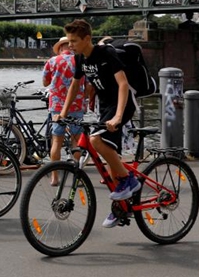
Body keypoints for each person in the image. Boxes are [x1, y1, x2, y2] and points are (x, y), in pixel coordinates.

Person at [57, 19, 139, 229]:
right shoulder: (79, 59)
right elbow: (75, 85)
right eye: (69, 40)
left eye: (74, 40)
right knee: (110, 154)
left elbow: (123, 85)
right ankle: (119, 206)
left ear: (87, 39)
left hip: (122, 105)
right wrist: (63, 113)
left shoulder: (105, 54)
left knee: (95, 140)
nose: (70, 45)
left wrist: (119, 117)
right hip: (105, 107)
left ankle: (128, 179)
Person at [42, 36, 85, 186]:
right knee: (76, 142)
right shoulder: (80, 60)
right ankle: (76, 177)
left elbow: (45, 82)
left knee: (56, 141)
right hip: (77, 104)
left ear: (60, 48)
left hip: (57, 107)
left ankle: (55, 177)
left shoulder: (52, 61)